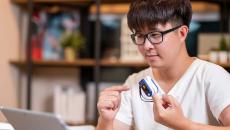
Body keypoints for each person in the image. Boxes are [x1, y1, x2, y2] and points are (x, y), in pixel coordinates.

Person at [95, 0, 230, 130]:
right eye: (140, 36)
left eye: (155, 34)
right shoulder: (134, 82)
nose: (147, 46)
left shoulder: (211, 77)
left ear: (182, 33)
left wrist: (183, 125)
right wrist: (105, 120)